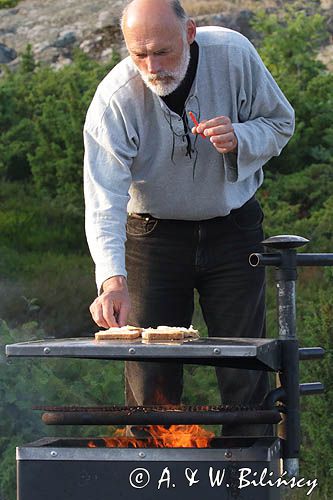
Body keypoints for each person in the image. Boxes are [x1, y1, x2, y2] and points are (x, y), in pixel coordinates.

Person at [84, 0, 294, 436]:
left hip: (233, 230)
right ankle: (152, 480)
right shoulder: (114, 100)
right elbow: (103, 197)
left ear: (191, 33)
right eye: (139, 54)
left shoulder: (234, 54)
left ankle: (245, 478)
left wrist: (241, 136)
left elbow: (281, 122)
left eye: (162, 52)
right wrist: (111, 280)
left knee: (246, 366)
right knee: (148, 377)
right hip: (152, 238)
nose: (152, 66)